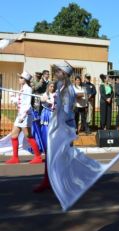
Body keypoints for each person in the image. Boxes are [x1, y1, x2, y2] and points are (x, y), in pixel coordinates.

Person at [34, 61, 77, 192]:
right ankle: (48, 181)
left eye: (58, 71)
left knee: (62, 155)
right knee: (50, 153)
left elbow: (65, 112)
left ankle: (65, 183)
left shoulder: (67, 90)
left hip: (64, 127)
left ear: (64, 73)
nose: (56, 73)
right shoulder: (60, 87)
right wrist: (47, 102)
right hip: (58, 125)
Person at [5, 71, 43, 164]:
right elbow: (19, 102)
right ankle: (15, 158)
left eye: (21, 78)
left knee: (28, 136)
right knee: (14, 135)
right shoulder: (22, 89)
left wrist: (23, 116)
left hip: (25, 115)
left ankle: (38, 157)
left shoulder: (28, 89)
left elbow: (27, 104)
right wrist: (12, 95)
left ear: (25, 80)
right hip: (20, 115)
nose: (19, 79)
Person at [33, 81, 56, 193]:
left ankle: (53, 180)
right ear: (48, 87)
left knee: (53, 152)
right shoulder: (45, 94)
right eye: (50, 86)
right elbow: (42, 100)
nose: (52, 87)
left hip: (54, 120)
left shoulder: (56, 95)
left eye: (53, 86)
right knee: (47, 149)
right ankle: (47, 180)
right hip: (46, 119)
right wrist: (46, 99)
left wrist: (53, 101)